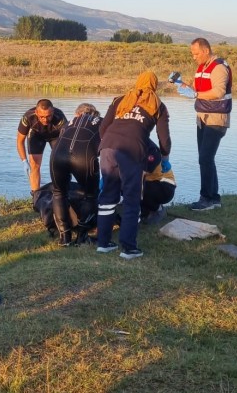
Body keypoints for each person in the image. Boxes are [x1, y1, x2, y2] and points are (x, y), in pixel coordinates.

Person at [96, 70, 171, 259]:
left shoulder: (120, 100)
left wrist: (109, 145)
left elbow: (103, 128)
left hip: (107, 147)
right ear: (154, 85)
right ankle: (129, 248)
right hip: (131, 150)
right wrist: (165, 158)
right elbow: (165, 140)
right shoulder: (158, 105)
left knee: (108, 196)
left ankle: (103, 243)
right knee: (131, 198)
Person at [188, 37, 232, 210]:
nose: (194, 57)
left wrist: (196, 95)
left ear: (206, 51)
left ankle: (206, 198)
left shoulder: (219, 67)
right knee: (206, 158)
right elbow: (195, 89)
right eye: (192, 54)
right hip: (202, 118)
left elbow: (219, 91)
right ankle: (213, 198)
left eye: (196, 53)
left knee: (205, 158)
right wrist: (185, 87)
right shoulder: (201, 67)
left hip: (216, 119)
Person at [50, 103, 101, 247]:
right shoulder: (100, 121)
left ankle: (64, 238)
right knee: (90, 195)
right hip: (84, 157)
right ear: (94, 114)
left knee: (59, 193)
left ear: (76, 113)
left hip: (57, 155)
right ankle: (82, 237)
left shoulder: (68, 123)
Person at [16, 99, 67, 191]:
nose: (45, 120)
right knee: (35, 165)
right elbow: (20, 141)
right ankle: (35, 195)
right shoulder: (28, 117)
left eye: (48, 116)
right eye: (42, 116)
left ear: (53, 112)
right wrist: (24, 160)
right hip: (36, 136)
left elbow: (67, 139)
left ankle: (60, 193)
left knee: (59, 163)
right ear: (36, 112)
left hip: (55, 136)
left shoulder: (60, 117)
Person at [141, 140, 176, 222]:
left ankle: (158, 210)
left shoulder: (150, 150)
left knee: (138, 187)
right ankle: (145, 210)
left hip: (165, 186)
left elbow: (139, 175)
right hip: (150, 182)